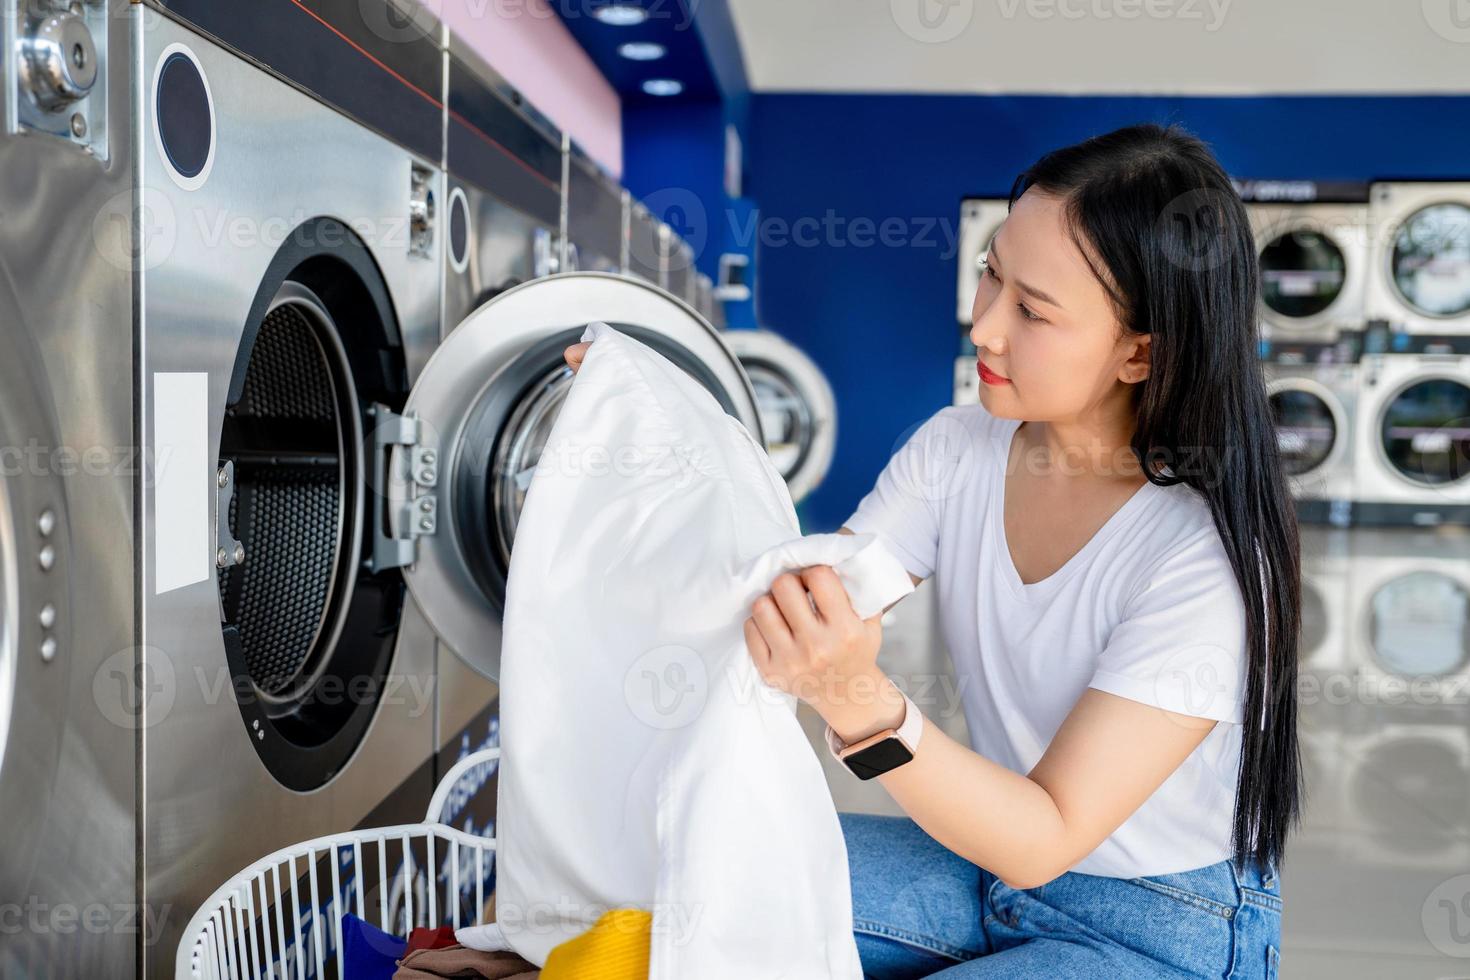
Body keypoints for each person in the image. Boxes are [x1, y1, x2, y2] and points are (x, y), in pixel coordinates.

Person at [563, 122, 1299, 979]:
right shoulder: (959, 450)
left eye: (1032, 309)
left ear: (1138, 353)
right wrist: (666, 426)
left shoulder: (1201, 561)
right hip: (976, 859)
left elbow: (1047, 836)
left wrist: (853, 696)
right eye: (992, 272)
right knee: (675, 893)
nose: (983, 325)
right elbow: (807, 593)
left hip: (1156, 921)